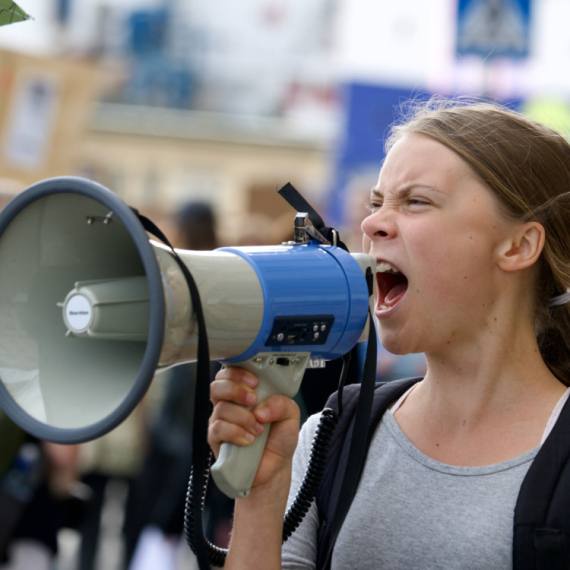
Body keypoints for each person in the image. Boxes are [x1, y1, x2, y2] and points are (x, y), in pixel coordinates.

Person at [207, 97, 570, 569]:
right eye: (377, 203)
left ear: (519, 245)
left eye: (416, 201)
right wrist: (261, 493)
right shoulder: (329, 438)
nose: (371, 222)